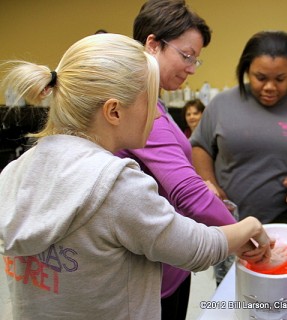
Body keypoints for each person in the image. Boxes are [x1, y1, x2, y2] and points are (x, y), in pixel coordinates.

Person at [0, 33, 273, 320]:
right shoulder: (117, 185)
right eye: (151, 102)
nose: (156, 117)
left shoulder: (16, 169)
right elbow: (197, 248)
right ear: (114, 111)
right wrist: (251, 226)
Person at [115, 1, 237, 318]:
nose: (193, 68)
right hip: (150, 276)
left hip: (170, 266)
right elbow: (187, 193)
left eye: (196, 59)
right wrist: (246, 234)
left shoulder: (156, 103)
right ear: (153, 44)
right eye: (186, 56)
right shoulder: (138, 107)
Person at [190, 30, 287, 227]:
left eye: (280, 79)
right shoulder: (222, 104)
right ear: (246, 71)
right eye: (261, 77)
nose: (270, 87)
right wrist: (210, 184)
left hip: (284, 219)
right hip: (227, 217)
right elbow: (200, 146)